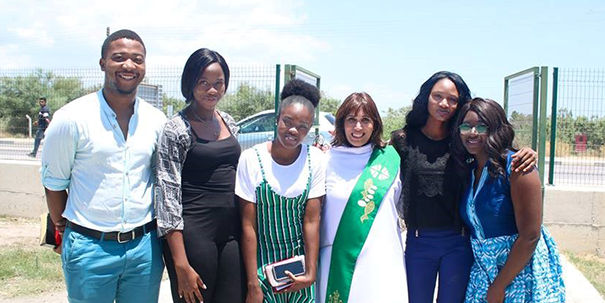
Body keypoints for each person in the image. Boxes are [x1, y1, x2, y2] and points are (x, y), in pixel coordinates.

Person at [41, 29, 166, 303]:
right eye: (118, 57)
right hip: (89, 249)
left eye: (137, 59)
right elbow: (54, 183)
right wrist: (65, 228)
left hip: (144, 250)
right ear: (102, 63)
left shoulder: (157, 121)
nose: (129, 65)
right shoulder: (71, 118)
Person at [391, 71, 537, 303]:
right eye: (437, 96)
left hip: (458, 243)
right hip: (419, 241)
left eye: (452, 99)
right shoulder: (402, 140)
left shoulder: (463, 139)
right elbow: (376, 162)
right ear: (425, 97)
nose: (444, 103)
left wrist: (525, 152)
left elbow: (497, 147)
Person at [451, 97, 565, 303]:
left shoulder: (518, 167)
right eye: (466, 126)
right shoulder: (468, 169)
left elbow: (530, 235)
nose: (472, 133)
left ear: (495, 129)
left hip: (518, 273)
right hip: (484, 274)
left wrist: (500, 285)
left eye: (481, 127)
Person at [155, 48, 244, 303]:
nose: (212, 90)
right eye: (203, 82)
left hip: (231, 234)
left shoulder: (228, 121)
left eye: (218, 83)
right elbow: (167, 197)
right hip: (194, 235)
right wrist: (180, 264)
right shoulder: (176, 129)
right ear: (190, 83)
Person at [237, 79, 325, 303]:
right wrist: (253, 284)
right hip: (262, 268)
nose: (294, 130)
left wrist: (311, 274)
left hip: (300, 267)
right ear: (277, 120)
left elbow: (312, 221)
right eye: (287, 121)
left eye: (303, 126)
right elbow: (248, 226)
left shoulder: (315, 159)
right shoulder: (252, 159)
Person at [317, 92, 407, 303]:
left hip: (383, 261)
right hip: (339, 262)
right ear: (341, 123)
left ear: (375, 124)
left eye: (365, 120)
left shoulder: (391, 159)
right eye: (351, 120)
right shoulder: (326, 160)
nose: (358, 127)